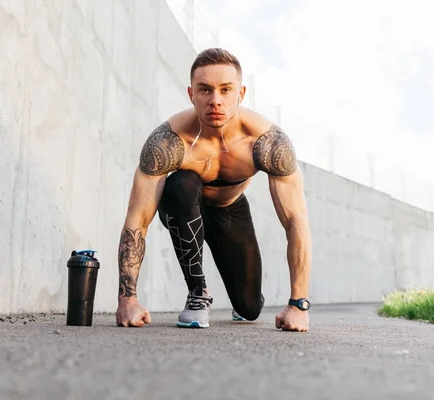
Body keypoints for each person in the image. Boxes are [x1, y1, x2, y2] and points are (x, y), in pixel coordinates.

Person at [115, 48, 313, 331]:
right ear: (191, 93)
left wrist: (298, 305)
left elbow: (296, 221)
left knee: (250, 309)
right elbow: (137, 219)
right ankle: (198, 294)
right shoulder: (168, 142)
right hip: (182, 206)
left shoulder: (267, 143)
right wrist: (128, 299)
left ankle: (242, 302)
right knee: (182, 184)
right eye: (205, 90)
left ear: (241, 94)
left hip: (230, 210)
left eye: (225, 90)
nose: (215, 100)